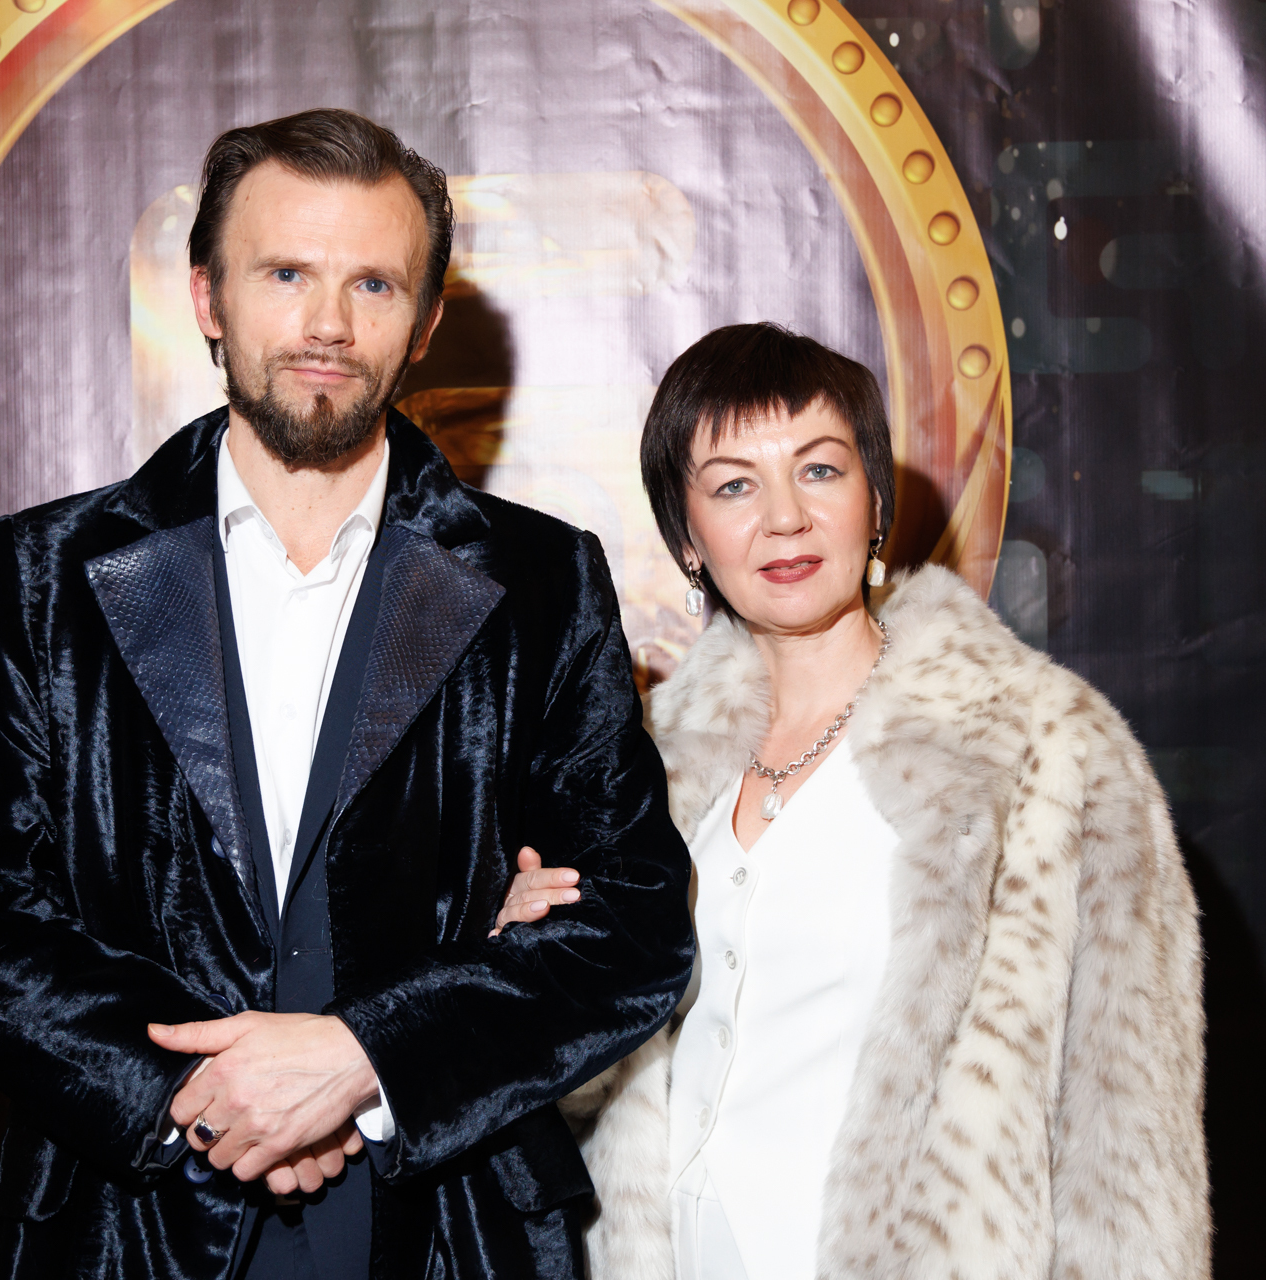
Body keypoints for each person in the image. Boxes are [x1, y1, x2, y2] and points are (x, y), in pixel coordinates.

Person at [0, 108, 695, 1280]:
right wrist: (200, 1086)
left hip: (441, 1221)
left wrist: (369, 1058)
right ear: (207, 298)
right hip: (129, 1223)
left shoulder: (539, 578)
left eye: (374, 283)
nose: (328, 324)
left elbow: (632, 921)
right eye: (285, 274)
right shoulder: (51, 571)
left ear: (424, 323)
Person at [497, 324, 1210, 1279]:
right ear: (687, 539)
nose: (785, 518)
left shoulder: (1046, 751)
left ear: (874, 503)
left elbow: (1130, 1140)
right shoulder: (633, 767)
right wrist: (539, 967)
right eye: (734, 486)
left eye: (820, 470)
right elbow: (581, 1098)